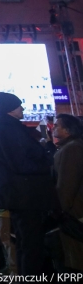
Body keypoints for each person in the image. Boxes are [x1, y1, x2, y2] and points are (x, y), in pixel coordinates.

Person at [0, 92, 54, 276]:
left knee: (26, 242)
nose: (22, 108)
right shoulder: (9, 129)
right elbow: (21, 162)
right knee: (31, 244)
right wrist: (46, 162)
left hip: (17, 194)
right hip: (24, 195)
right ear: (11, 108)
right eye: (19, 106)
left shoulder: (1, 128)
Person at [52, 113, 83, 270]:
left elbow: (67, 184)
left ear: (68, 130)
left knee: (76, 258)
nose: (53, 128)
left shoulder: (72, 149)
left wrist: (61, 211)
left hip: (75, 213)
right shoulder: (70, 147)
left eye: (57, 125)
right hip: (74, 211)